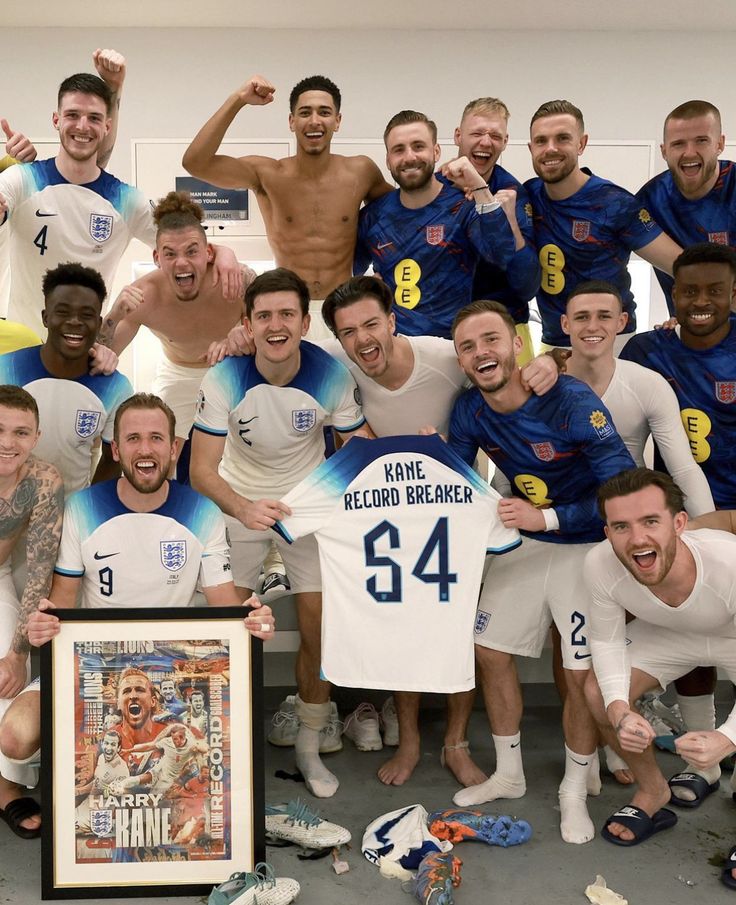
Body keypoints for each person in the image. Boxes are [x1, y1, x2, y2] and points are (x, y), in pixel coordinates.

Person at [318, 275, 557, 788]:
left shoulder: (446, 356)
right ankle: (408, 740)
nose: (362, 339)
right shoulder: (337, 370)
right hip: (389, 517)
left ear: (393, 320)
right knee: (404, 628)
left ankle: (454, 743)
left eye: (371, 324)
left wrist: (552, 360)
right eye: (348, 332)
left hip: (460, 512)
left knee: (458, 629)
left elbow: (509, 375)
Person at [0, 394, 274, 783]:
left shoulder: (203, 512)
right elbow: (61, 605)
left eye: (156, 438)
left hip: (171, 670)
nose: (145, 449)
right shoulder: (81, 507)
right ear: (115, 448)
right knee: (15, 736)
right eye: (132, 439)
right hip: (95, 665)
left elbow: (225, 607)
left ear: (174, 447)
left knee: (215, 750)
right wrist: (46, 628)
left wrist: (252, 618)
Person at [446, 299, 635, 844]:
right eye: (468, 346)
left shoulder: (570, 398)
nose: (481, 353)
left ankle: (574, 790)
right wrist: (432, 463)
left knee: (579, 674)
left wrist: (547, 515)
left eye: (491, 340)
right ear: (460, 359)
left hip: (586, 545)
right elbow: (462, 487)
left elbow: (620, 491)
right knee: (489, 648)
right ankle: (508, 773)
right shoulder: (468, 409)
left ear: (514, 344)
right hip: (526, 541)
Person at [190, 268, 365, 799]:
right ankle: (214, 746)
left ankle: (309, 746)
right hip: (237, 502)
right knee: (220, 630)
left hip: (307, 509)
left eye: (287, 313)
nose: (275, 325)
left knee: (320, 631)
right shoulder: (223, 377)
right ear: (246, 323)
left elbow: (360, 451)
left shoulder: (331, 375)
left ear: (305, 323)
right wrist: (243, 509)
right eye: (263, 315)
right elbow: (201, 470)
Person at [0, 52, 241, 337]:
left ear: (107, 126)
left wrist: (224, 252)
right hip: (22, 346)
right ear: (56, 120)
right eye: (72, 115)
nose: (82, 126)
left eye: (94, 118)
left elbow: (181, 245)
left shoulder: (127, 200)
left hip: (84, 351)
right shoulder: (21, 178)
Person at [583, 468, 736, 872]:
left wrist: (726, 738)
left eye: (651, 521)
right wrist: (618, 709)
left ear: (679, 524)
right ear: (607, 531)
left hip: (733, 636)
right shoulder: (600, 563)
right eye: (621, 526)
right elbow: (605, 641)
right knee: (599, 693)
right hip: (672, 633)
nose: (637, 539)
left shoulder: (729, 563)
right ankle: (654, 792)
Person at [620, 241, 736, 750]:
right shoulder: (648, 349)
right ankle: (701, 743)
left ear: (734, 293)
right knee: (689, 620)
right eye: (688, 290)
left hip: (732, 512)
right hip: (681, 516)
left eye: (714, 290)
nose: (699, 301)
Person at [183, 73, 391, 328]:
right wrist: (238, 100)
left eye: (324, 112)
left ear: (337, 121)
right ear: (292, 121)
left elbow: (407, 208)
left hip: (343, 306)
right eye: (305, 113)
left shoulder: (360, 172)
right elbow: (195, 163)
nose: (314, 121)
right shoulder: (267, 174)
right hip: (289, 307)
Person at [98, 192, 252, 456]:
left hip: (234, 369)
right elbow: (102, 356)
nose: (182, 262)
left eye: (192, 251)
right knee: (161, 452)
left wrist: (244, 335)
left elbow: (274, 329)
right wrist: (113, 315)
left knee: (248, 445)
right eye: (170, 254)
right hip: (178, 374)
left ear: (208, 252)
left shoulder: (236, 279)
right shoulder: (143, 295)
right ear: (157, 258)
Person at [524, 99, 683, 349]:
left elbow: (682, 265)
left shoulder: (614, 203)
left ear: (581, 143)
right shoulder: (528, 195)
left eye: (563, 138)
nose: (550, 149)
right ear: (531, 148)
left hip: (614, 343)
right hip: (555, 343)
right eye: (542, 141)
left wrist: (684, 314)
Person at [354, 110, 517, 339]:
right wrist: (362, 289)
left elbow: (502, 255)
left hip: (452, 348)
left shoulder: (464, 206)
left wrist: (480, 187)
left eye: (418, 146)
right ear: (388, 160)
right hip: (393, 347)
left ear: (436, 151)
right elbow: (346, 273)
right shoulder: (373, 216)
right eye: (399, 149)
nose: (409, 157)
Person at [561, 280, 714, 516]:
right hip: (557, 514)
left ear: (621, 322)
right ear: (565, 323)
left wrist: (708, 531)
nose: (592, 326)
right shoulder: (539, 384)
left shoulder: (648, 384)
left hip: (630, 513)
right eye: (582, 317)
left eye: (604, 316)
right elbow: (509, 471)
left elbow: (683, 470)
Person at [0, 262, 132, 494]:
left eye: (86, 314)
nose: (74, 322)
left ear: (99, 323)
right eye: (62, 312)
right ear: (45, 317)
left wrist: (86, 508)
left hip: (70, 516)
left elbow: (114, 459)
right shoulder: (6, 368)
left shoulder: (116, 387)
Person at [0, 386, 63, 838]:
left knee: (6, 671)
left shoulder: (44, 481)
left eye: (20, 432)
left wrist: (19, 652)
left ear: (36, 436)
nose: (8, 443)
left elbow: (40, 571)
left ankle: (6, 785)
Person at [450, 97, 540, 362]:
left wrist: (508, 220)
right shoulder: (432, 189)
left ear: (505, 142)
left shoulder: (513, 193)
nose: (486, 142)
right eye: (477, 133)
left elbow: (527, 286)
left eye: (495, 136)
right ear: (458, 136)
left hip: (506, 330)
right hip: (443, 332)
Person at [637, 100, 736, 314]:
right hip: (689, 333)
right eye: (678, 143)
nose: (689, 152)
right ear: (664, 151)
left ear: (720, 144)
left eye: (701, 141)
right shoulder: (648, 202)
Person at [75, 728, 130, 832]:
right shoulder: (101, 757)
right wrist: (79, 791)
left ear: (118, 748)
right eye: (107, 743)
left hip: (97, 817)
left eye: (113, 744)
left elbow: (123, 801)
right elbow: (97, 782)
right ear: (103, 744)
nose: (108, 748)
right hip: (86, 805)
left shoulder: (122, 770)